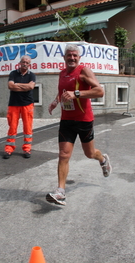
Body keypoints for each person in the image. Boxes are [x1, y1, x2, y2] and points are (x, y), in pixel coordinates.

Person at [46, 44, 112, 206]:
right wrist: (56, 101)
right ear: (64, 57)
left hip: (84, 120)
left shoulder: (84, 71)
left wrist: (76, 94)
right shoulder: (62, 73)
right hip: (67, 120)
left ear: (79, 57)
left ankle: (103, 160)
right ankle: (60, 192)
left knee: (89, 153)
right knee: (63, 154)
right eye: (69, 55)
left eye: (75, 55)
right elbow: (63, 91)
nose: (72, 58)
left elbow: (99, 91)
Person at [3, 55, 36, 159]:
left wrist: (17, 85)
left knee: (28, 128)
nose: (25, 64)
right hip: (14, 104)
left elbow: (31, 87)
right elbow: (10, 86)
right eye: (23, 62)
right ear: (20, 63)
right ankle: (9, 149)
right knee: (12, 127)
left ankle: (27, 149)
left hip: (27, 104)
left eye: (27, 63)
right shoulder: (13, 73)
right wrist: (25, 87)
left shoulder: (32, 75)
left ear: (29, 65)